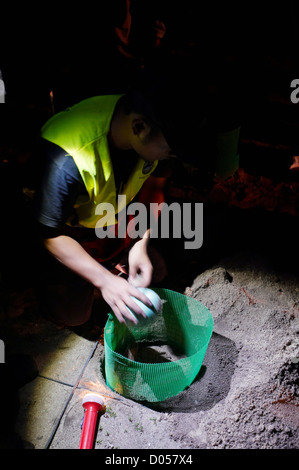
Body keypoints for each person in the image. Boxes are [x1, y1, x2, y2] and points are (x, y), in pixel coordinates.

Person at [31, 83, 202, 328]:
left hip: (110, 214)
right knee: (74, 316)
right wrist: (104, 281)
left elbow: (155, 189)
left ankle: (112, 261)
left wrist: (140, 243)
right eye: (171, 150)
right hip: (68, 231)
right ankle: (71, 277)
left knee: (156, 269)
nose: (172, 155)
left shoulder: (155, 135)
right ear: (139, 127)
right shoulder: (66, 160)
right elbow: (49, 234)